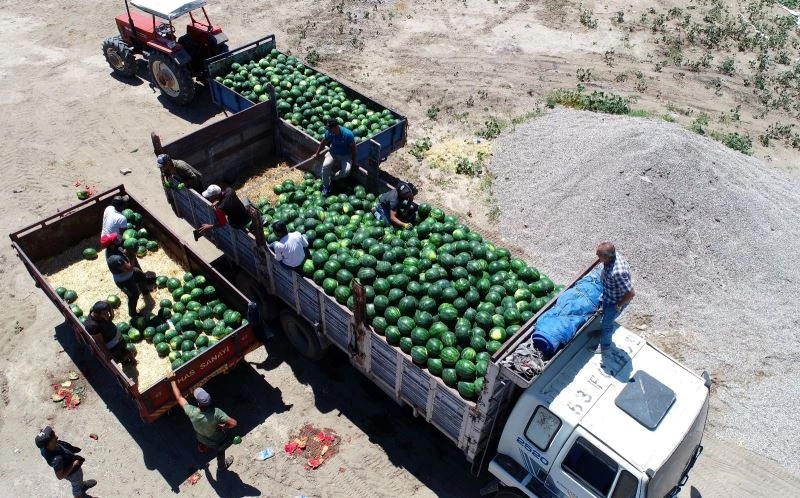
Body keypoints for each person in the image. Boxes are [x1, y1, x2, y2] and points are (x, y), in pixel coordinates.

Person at [169, 375, 237, 472]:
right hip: (218, 441)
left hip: (201, 438)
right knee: (220, 452)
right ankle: (221, 467)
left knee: (203, 442)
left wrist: (172, 381)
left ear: (198, 403)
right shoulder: (216, 413)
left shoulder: (192, 412)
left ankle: (203, 449)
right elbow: (233, 423)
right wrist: (223, 426)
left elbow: (179, 397)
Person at [594, 242, 635, 358]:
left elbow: (631, 293)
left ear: (607, 257)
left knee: (607, 324)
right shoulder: (612, 256)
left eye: (599, 255)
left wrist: (618, 305)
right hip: (608, 295)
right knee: (604, 318)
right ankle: (603, 333)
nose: (597, 257)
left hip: (615, 301)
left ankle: (605, 346)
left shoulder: (618, 272)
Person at [35, 426, 97, 498]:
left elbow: (41, 441)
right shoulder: (57, 460)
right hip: (72, 473)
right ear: (49, 443)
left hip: (69, 463)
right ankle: (79, 495)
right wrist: (73, 464)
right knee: (76, 484)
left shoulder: (44, 447)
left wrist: (43, 433)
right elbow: (60, 476)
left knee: (79, 481)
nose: (56, 436)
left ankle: (82, 485)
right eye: (53, 436)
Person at [103, 233, 151, 317]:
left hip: (130, 273)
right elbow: (130, 268)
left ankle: (145, 291)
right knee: (134, 296)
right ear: (112, 245)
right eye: (115, 240)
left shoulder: (113, 248)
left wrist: (127, 251)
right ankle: (133, 313)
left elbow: (122, 251)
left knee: (141, 276)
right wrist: (132, 255)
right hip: (124, 280)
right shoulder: (115, 259)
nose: (117, 239)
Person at [313, 118, 357, 197]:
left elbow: (353, 148)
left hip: (345, 156)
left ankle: (333, 178)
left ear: (336, 127)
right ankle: (326, 186)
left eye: (330, 129)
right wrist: (317, 153)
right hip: (332, 153)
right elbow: (323, 142)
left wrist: (354, 161)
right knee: (325, 166)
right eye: (328, 129)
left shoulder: (348, 134)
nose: (329, 131)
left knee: (346, 171)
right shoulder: (329, 133)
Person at [84, 301, 135, 365]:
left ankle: (131, 359)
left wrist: (112, 315)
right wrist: (107, 353)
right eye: (104, 314)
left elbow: (107, 303)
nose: (107, 315)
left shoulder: (101, 308)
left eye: (107, 312)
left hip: (118, 336)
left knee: (124, 348)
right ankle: (125, 362)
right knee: (119, 355)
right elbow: (99, 341)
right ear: (97, 314)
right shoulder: (92, 326)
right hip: (111, 344)